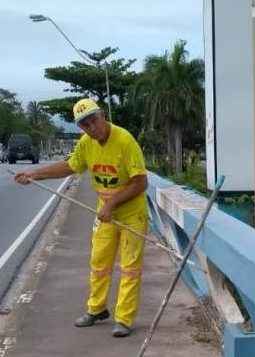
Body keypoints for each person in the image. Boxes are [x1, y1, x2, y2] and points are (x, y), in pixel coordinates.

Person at [14, 98, 148, 337]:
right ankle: (97, 309)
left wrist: (113, 203)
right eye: (85, 125)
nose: (91, 127)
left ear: (102, 115)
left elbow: (140, 182)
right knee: (99, 263)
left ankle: (124, 319)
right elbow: (70, 166)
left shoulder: (125, 140)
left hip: (131, 215)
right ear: (81, 128)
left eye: (94, 120)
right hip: (105, 214)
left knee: (129, 268)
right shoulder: (87, 143)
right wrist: (35, 174)